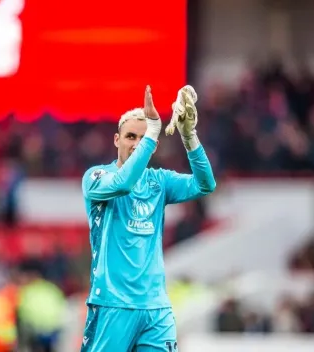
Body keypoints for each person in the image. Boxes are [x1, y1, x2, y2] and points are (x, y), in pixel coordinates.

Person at [80, 85, 216, 351]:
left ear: (151, 147)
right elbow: (123, 184)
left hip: (156, 308)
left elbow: (205, 184)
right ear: (116, 139)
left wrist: (189, 137)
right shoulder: (96, 178)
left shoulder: (159, 181)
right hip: (112, 304)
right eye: (131, 136)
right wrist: (153, 131)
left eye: (143, 139)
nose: (136, 144)